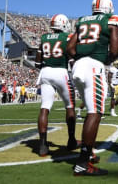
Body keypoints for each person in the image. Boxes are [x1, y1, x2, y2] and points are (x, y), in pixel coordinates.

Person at [67, 0, 118, 176]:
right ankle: (83, 163)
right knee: (95, 112)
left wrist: (82, 57)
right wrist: (102, 60)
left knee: (91, 110)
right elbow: (114, 50)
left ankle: (88, 153)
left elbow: (70, 49)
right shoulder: (110, 19)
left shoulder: (82, 20)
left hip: (78, 67)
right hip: (93, 67)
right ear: (109, 7)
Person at [35, 13, 79, 157]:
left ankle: (42, 145)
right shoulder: (67, 37)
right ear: (63, 24)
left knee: (45, 107)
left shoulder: (44, 38)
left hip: (45, 72)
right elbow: (73, 54)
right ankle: (71, 140)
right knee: (70, 106)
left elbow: (37, 62)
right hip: (61, 72)